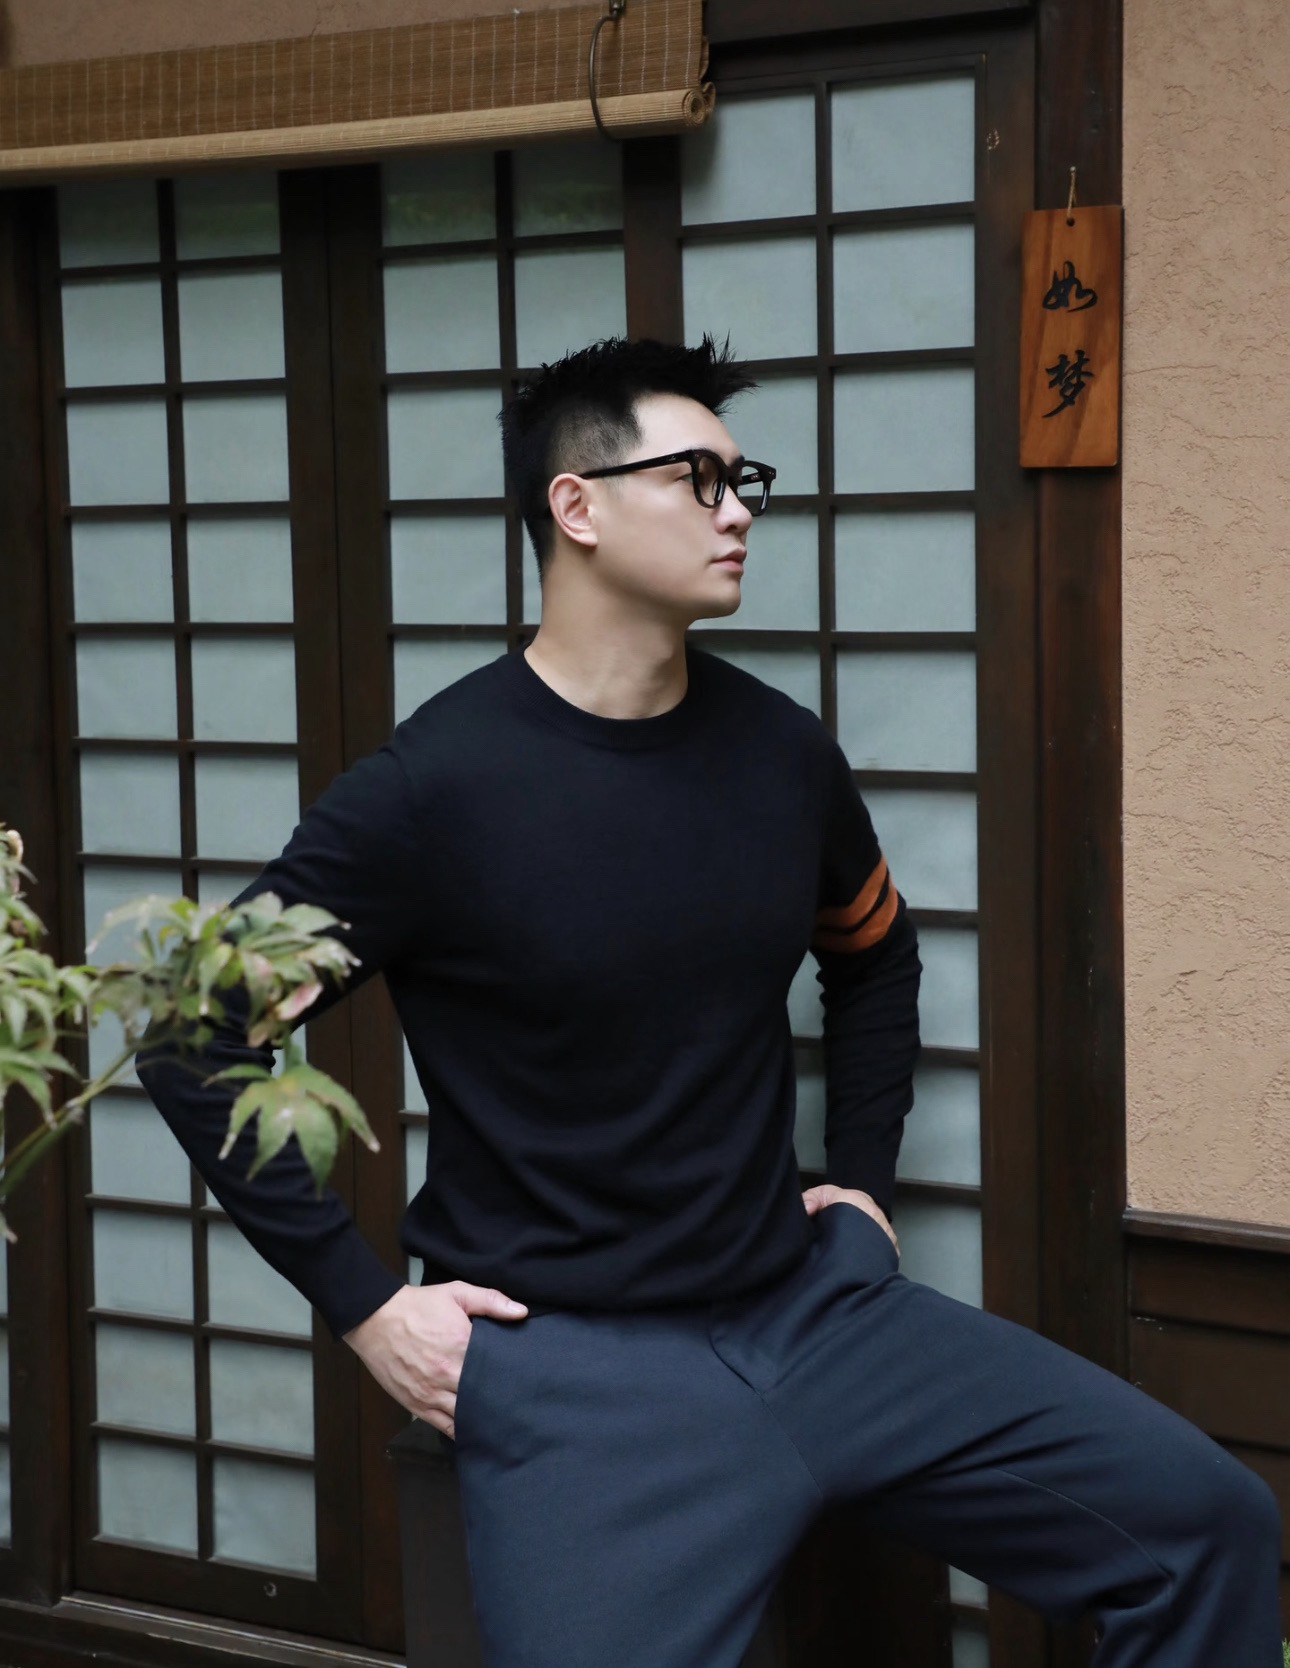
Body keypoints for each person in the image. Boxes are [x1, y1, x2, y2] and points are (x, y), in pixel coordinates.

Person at [139, 336, 1283, 1668]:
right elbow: (188, 1033)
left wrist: (861, 1188)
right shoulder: (431, 793)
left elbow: (873, 959)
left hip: (816, 1315)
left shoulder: (779, 753)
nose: (739, 510)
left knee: (1204, 1525)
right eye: (699, 479)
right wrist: (367, 1308)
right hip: (579, 1382)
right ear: (577, 506)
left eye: (746, 482)